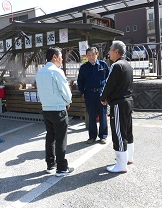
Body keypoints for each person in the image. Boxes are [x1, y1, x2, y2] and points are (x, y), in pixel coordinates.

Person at [35, 47, 74, 177]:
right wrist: (68, 102)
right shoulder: (57, 72)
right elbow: (66, 91)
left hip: (46, 109)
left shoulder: (40, 72)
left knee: (50, 137)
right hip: (58, 109)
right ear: (54, 57)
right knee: (60, 138)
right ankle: (62, 168)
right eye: (61, 57)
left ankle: (50, 164)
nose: (62, 59)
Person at [100, 40, 134, 173]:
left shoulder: (116, 66)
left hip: (119, 103)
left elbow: (109, 85)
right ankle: (128, 158)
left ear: (116, 52)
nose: (108, 52)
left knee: (119, 133)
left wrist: (103, 98)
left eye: (110, 50)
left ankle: (121, 165)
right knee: (128, 131)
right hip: (128, 101)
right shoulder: (127, 65)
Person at [77, 46, 109, 145]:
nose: (91, 57)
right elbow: (80, 81)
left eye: (93, 54)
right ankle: (92, 136)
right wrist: (83, 92)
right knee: (91, 116)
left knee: (103, 115)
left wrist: (107, 94)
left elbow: (108, 80)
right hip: (89, 94)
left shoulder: (103, 65)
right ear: (86, 56)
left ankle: (103, 136)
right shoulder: (84, 67)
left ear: (97, 54)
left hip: (101, 93)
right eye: (89, 55)